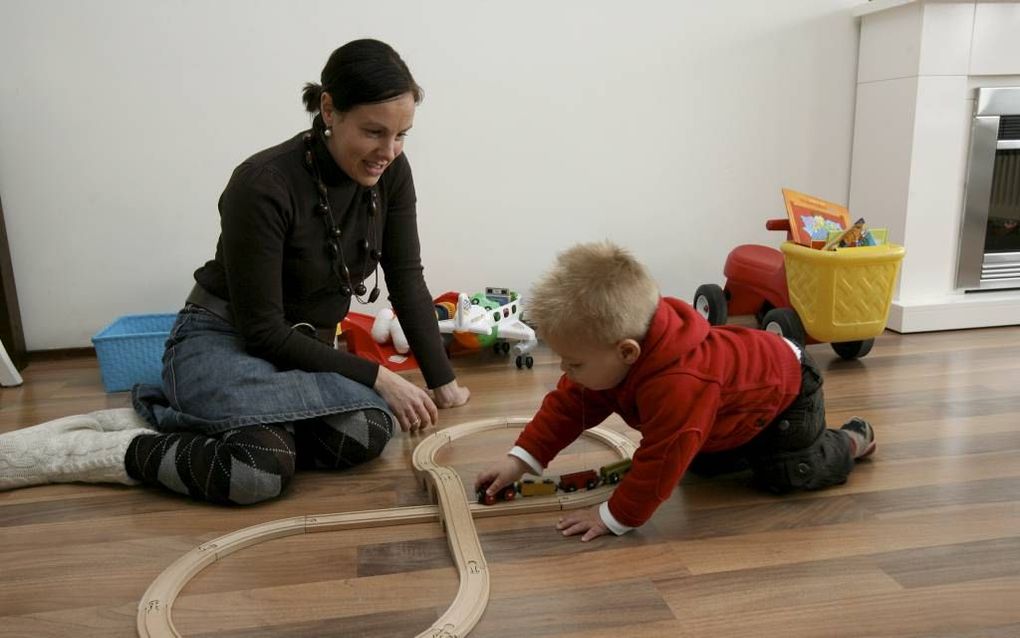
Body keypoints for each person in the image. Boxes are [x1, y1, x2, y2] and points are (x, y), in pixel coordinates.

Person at [0, 39, 469, 503]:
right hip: (223, 341)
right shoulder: (263, 183)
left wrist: (442, 380)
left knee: (369, 429)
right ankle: (123, 447)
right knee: (256, 473)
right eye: (373, 132)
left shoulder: (392, 172)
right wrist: (377, 376)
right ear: (329, 110)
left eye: (402, 134)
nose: (388, 150)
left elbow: (406, 277)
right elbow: (262, 330)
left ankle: (239, 424)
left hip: (298, 356)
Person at [474, 241, 874, 541]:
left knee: (783, 474)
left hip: (789, 396)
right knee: (701, 462)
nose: (564, 370)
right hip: (734, 406)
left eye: (573, 363)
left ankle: (850, 440)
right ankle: (745, 444)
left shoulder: (680, 383)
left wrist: (614, 516)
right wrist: (520, 461)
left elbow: (662, 457)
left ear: (627, 352)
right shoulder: (616, 354)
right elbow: (565, 408)